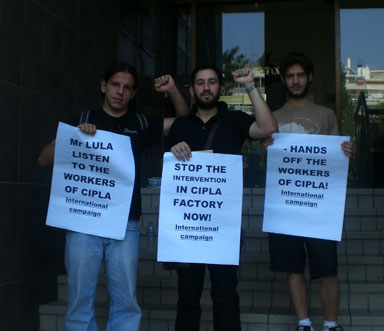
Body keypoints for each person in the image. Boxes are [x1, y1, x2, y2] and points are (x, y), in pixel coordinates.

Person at [38, 62, 189, 331]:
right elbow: (43, 159)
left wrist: (172, 90)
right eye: (116, 85)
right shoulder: (84, 118)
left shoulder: (141, 123)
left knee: (126, 303)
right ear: (103, 86)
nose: (120, 92)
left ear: (133, 94)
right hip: (84, 224)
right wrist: (74, 136)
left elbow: (184, 122)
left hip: (125, 225)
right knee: (79, 303)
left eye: (127, 87)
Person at [167, 64, 277, 331]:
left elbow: (267, 127)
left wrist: (250, 84)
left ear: (220, 87)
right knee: (188, 298)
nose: (206, 87)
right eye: (201, 82)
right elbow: (169, 168)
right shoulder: (180, 124)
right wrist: (174, 148)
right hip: (188, 224)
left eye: (212, 82)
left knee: (226, 295)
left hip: (223, 224)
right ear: (192, 89)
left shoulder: (235, 119)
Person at [263, 52, 356, 331]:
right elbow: (267, 161)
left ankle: (330, 324)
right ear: (283, 80)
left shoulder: (326, 115)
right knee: (293, 268)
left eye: (300, 75)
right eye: (290, 76)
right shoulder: (273, 117)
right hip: (287, 203)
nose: (295, 81)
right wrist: (265, 150)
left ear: (309, 77)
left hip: (320, 204)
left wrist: (347, 152)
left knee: (327, 269)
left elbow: (337, 160)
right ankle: (304, 323)